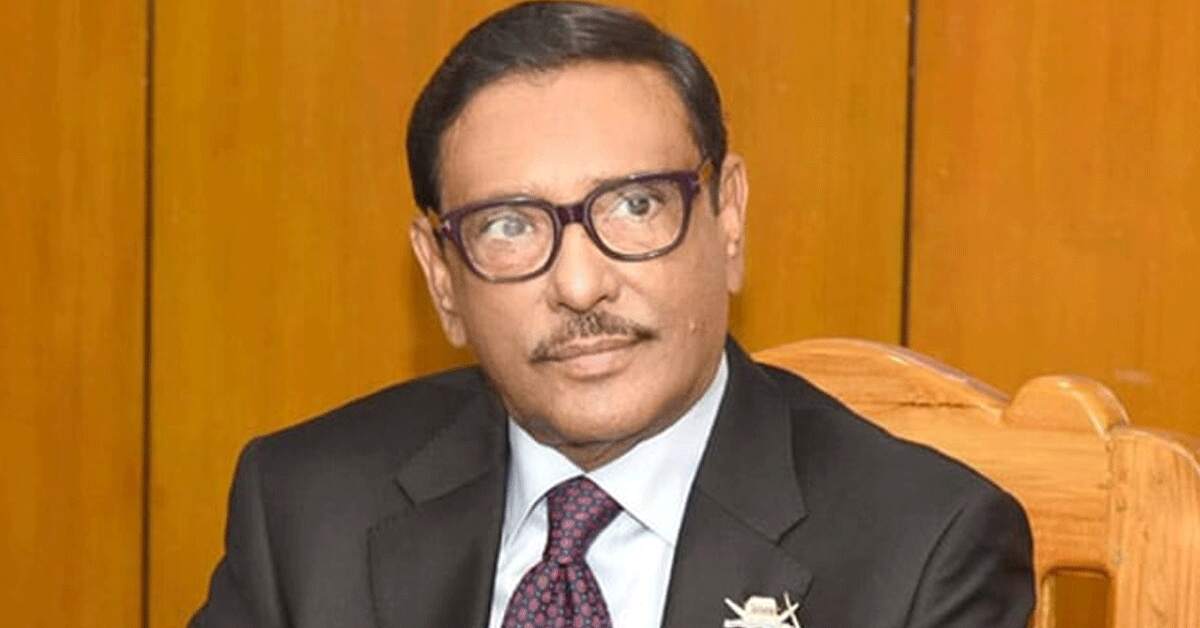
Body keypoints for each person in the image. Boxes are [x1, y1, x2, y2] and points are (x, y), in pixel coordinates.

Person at [191, 2, 1034, 627]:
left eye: (634, 206)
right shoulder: (307, 507)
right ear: (442, 279)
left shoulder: (924, 549)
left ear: (728, 219)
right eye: (509, 226)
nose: (581, 284)